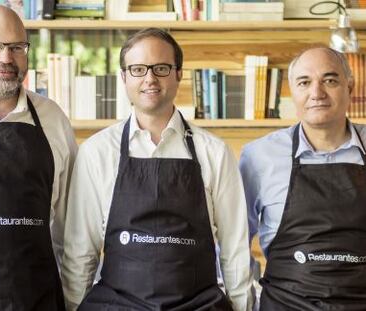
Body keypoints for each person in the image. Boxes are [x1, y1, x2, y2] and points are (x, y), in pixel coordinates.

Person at [61, 28, 253, 311]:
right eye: (138, 69)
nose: (150, 78)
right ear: (124, 77)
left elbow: (235, 250)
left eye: (161, 68)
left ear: (178, 74)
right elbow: (80, 251)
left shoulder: (214, 151)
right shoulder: (97, 151)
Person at [0, 5, 77, 310]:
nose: (6, 58)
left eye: (16, 47)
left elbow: (70, 228)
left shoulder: (53, 119)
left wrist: (75, 301)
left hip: (39, 299)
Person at [240, 46, 366, 310]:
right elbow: (235, 243)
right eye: (304, 82)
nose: (316, 93)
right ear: (292, 92)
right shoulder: (259, 156)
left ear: (350, 88)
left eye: (330, 80)